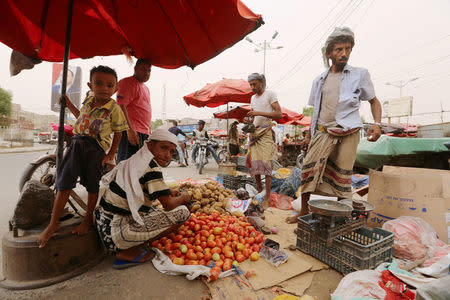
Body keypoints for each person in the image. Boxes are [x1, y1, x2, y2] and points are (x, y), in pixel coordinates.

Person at [286, 27, 382, 223]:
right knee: (308, 171)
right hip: (323, 132)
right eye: (339, 49)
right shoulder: (319, 80)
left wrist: (377, 123)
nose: (344, 53)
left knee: (342, 177)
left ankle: (339, 219)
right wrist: (309, 134)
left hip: (349, 132)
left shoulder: (360, 74)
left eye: (348, 49)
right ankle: (304, 211)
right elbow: (316, 111)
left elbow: (374, 101)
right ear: (329, 53)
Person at [37, 65, 129, 247]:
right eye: (99, 83)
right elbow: (81, 119)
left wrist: (110, 154)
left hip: (96, 150)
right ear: (90, 85)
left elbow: (118, 133)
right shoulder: (88, 102)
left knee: (92, 185)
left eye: (110, 85)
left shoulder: (114, 109)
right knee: (64, 182)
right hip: (76, 144)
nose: (104, 88)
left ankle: (88, 218)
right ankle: (53, 223)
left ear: (116, 89)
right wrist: (69, 104)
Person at [95, 127, 191, 268]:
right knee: (183, 212)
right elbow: (169, 205)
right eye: (163, 148)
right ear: (150, 145)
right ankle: (129, 250)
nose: (167, 155)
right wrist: (185, 197)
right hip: (117, 235)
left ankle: (129, 243)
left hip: (103, 227)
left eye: (171, 151)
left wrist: (168, 191)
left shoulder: (136, 159)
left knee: (152, 209)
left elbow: (141, 186)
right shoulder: (151, 166)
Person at [246, 73, 282, 204]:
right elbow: (254, 116)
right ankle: (260, 191)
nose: (252, 87)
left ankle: (267, 196)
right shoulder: (252, 98)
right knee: (255, 165)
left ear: (261, 82)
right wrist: (249, 119)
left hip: (265, 132)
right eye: (250, 84)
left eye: (254, 84)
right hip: (254, 133)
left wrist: (258, 113)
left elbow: (279, 114)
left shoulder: (270, 94)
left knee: (266, 165)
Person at [116, 58, 152, 163]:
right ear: (135, 68)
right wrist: (130, 130)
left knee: (140, 167)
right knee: (127, 167)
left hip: (143, 133)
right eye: (143, 69)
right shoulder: (127, 83)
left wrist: (148, 131)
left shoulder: (145, 88)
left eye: (149, 71)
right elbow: (120, 107)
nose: (146, 73)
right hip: (131, 132)